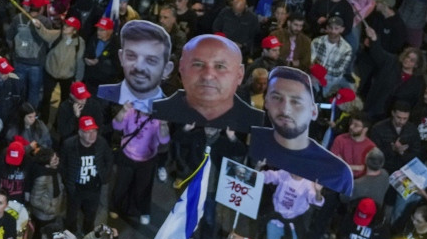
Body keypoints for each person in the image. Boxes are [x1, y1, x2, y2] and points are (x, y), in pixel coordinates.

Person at [249, 66, 354, 196]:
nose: (285, 109)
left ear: (314, 112)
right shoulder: (258, 141)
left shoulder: (336, 171)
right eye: (277, 98)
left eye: (296, 102)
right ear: (266, 103)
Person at [151, 34, 264, 131]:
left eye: (220, 66)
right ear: (181, 68)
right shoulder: (158, 111)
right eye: (198, 64)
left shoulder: (254, 122)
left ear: (239, 74)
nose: (208, 76)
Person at [97, 19, 175, 111]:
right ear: (121, 57)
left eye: (151, 60)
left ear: (166, 69)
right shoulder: (100, 96)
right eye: (131, 56)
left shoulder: (172, 111)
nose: (139, 66)